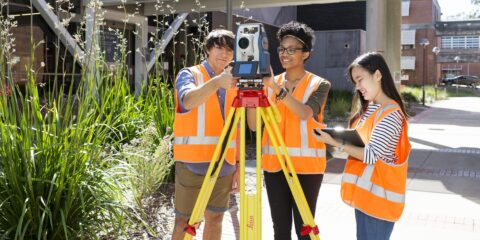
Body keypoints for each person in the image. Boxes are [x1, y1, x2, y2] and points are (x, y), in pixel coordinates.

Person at [313, 52, 411, 240]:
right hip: (367, 197)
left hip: (379, 202)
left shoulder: (390, 113)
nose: (357, 87)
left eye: (360, 79)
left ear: (378, 75)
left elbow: (371, 155)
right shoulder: (372, 109)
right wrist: (333, 142)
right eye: (355, 82)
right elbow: (360, 146)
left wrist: (335, 141)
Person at [248, 21, 331, 240]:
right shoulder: (269, 83)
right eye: (282, 49)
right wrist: (252, 93)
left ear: (306, 54)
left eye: (292, 50)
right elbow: (254, 126)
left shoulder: (319, 84)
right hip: (274, 167)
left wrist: (276, 89)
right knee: (280, 230)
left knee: (304, 230)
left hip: (307, 168)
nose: (285, 54)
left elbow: (305, 113)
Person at [171, 29, 240, 240]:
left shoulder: (235, 81)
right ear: (208, 49)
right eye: (219, 48)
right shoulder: (190, 74)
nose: (225, 54)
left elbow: (236, 126)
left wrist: (236, 165)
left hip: (224, 165)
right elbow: (188, 101)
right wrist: (216, 83)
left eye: (230, 50)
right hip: (193, 163)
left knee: (216, 219)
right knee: (184, 221)